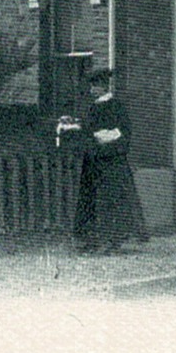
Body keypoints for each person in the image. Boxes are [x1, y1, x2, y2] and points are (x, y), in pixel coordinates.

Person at [60, 68, 148, 254]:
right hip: (94, 161)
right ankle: (92, 240)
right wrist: (75, 124)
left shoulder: (115, 106)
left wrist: (103, 140)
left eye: (96, 86)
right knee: (91, 199)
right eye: (92, 86)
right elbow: (89, 127)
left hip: (111, 162)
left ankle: (113, 239)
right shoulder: (94, 106)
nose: (92, 90)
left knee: (111, 200)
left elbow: (123, 132)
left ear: (103, 86)